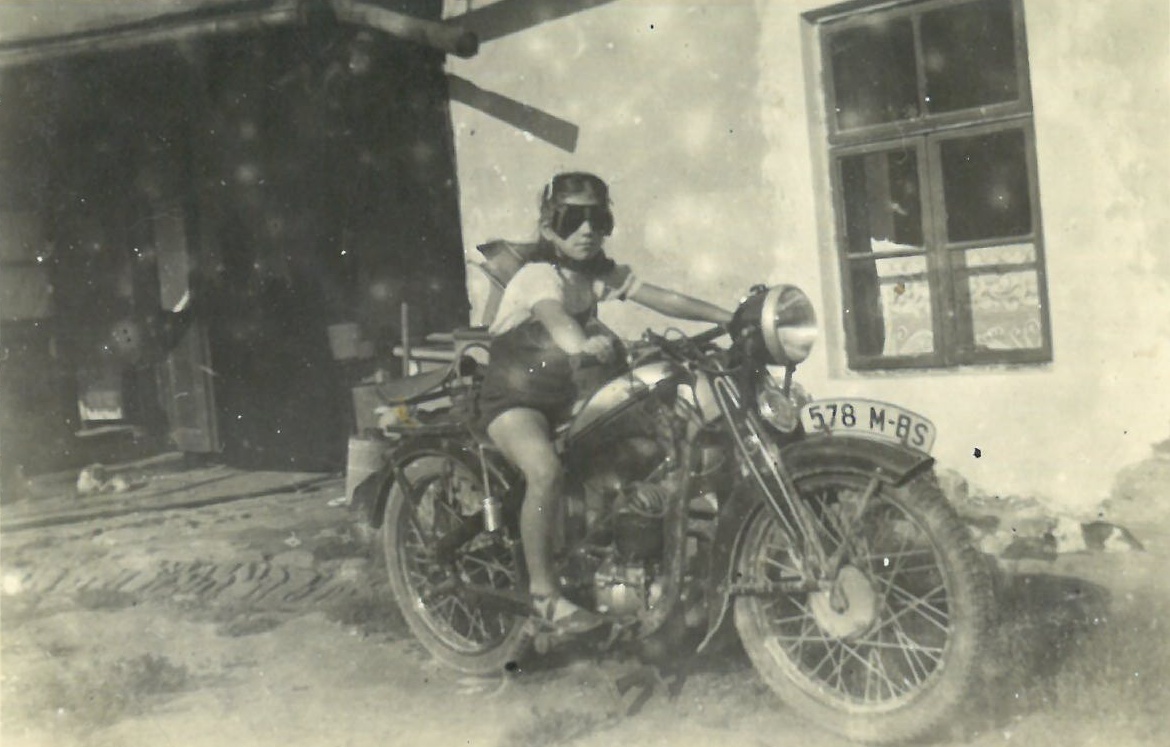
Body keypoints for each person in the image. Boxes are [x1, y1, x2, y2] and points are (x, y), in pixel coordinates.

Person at [476, 172, 733, 632]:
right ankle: (544, 595)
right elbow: (554, 317)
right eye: (572, 219)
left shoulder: (596, 274)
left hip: (566, 395)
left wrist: (729, 317)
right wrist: (580, 343)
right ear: (548, 226)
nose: (587, 230)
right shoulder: (539, 275)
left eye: (597, 218)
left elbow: (663, 298)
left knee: (651, 445)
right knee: (544, 471)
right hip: (515, 399)